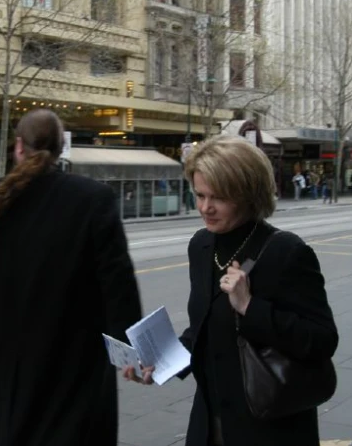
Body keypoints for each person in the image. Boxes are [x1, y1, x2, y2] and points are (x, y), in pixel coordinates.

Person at [125, 135, 338, 446]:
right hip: (209, 426)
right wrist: (159, 363)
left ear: (248, 194)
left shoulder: (286, 252)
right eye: (199, 195)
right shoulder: (201, 245)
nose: (205, 208)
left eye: (219, 198)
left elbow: (322, 340)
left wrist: (250, 307)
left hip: (270, 427)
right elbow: (204, 330)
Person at [0, 109, 143, 446]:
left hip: (2, 366)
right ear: (61, 149)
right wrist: (129, 354)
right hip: (71, 366)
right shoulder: (91, 199)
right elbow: (118, 286)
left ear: (17, 147)